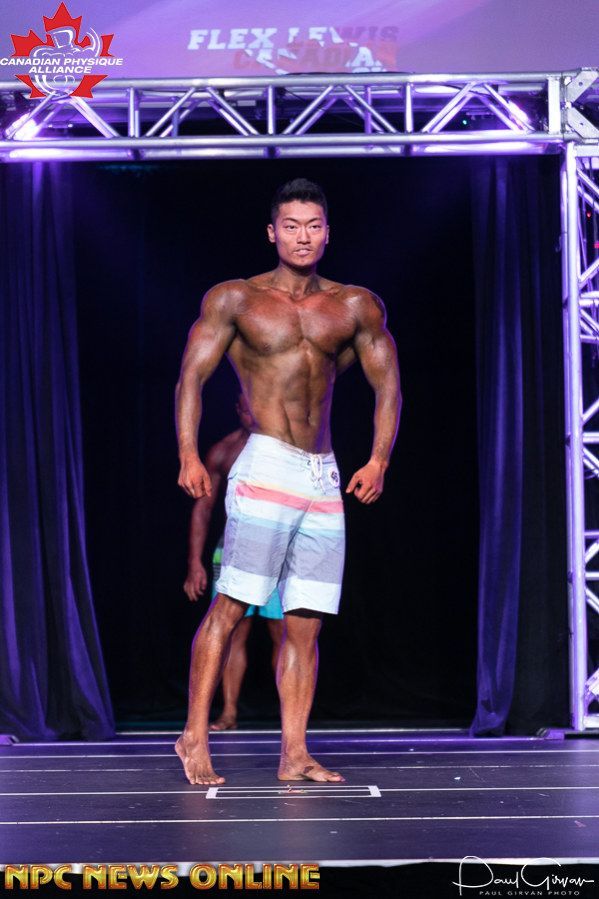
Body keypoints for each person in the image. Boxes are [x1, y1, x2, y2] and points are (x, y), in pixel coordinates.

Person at [175, 178, 401, 785]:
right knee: (231, 605)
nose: (303, 237)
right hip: (267, 463)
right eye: (292, 226)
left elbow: (388, 385)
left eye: (314, 226)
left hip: (322, 473)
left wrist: (378, 459)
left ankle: (294, 753)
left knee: (305, 620)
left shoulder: (355, 306)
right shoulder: (236, 299)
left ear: (327, 233)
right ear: (272, 233)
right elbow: (191, 379)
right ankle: (194, 736)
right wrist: (189, 454)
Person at [184, 394, 284, 731]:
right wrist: (195, 563)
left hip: (277, 549)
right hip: (233, 550)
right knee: (231, 632)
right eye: (246, 406)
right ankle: (228, 712)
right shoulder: (223, 451)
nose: (253, 412)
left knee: (284, 632)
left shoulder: (284, 447)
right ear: (238, 409)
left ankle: (290, 716)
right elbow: (203, 509)